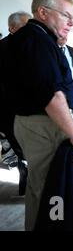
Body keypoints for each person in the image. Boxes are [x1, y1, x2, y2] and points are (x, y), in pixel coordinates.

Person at [3, 0, 73, 230]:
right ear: (43, 12)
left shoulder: (33, 38)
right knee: (53, 189)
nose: (71, 23)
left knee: (38, 187)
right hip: (44, 126)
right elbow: (52, 96)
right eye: (66, 15)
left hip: (31, 124)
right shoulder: (37, 40)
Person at [0, 11, 31, 195]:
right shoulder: (3, 49)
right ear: (12, 28)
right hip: (10, 113)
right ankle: (27, 184)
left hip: (27, 111)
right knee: (22, 152)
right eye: (25, 27)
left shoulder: (28, 48)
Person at [57, 36, 73, 119]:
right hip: (59, 91)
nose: (64, 37)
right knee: (62, 118)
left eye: (66, 35)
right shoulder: (52, 51)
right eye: (61, 35)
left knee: (72, 118)